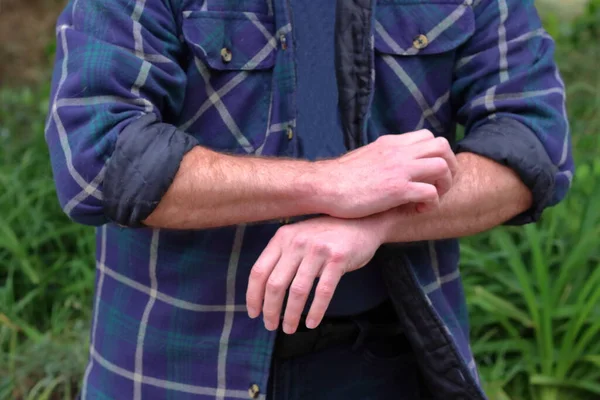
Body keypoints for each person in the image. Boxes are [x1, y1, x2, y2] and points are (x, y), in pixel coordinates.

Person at [45, 0, 573, 399]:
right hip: (180, 365)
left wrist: (375, 221)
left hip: (392, 360)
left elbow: (532, 147)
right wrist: (329, 184)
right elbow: (96, 161)